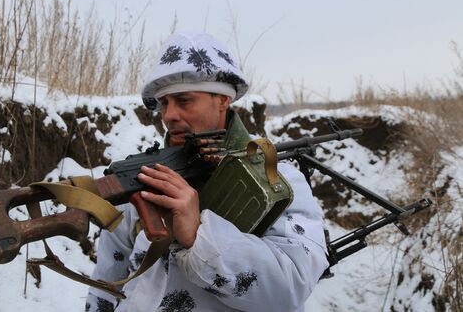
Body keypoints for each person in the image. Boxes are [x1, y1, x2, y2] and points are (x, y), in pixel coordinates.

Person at [86, 31, 329, 312]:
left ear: (223, 100)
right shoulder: (145, 178)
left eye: (184, 100)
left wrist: (198, 235)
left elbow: (290, 288)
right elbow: (106, 283)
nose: (169, 115)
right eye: (164, 103)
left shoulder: (276, 180)